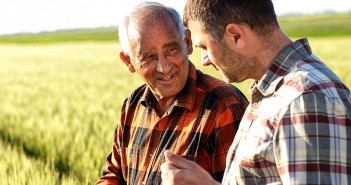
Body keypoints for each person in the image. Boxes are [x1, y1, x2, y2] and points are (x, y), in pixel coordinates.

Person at [160, 0, 351, 184]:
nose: (205, 60)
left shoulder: (304, 99)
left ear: (235, 35)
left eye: (205, 47)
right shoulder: (276, 90)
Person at [95, 2, 248, 184]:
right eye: (148, 57)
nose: (164, 67)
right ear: (128, 61)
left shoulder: (224, 106)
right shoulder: (132, 106)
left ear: (188, 43)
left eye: (172, 49)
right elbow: (113, 175)